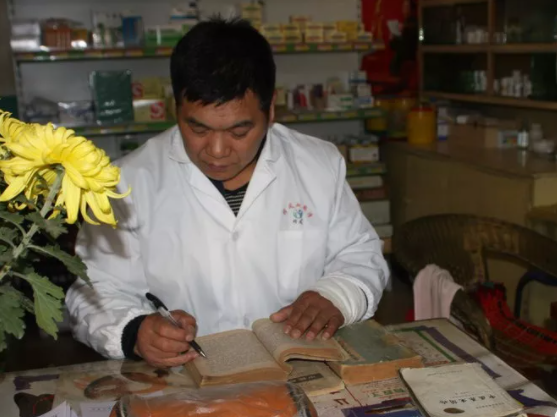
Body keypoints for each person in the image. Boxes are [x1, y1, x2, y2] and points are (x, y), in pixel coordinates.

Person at [66, 17, 389, 369]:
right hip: (187, 379)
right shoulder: (125, 182)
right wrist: (134, 331)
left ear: (270, 110)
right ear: (176, 109)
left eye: (239, 131)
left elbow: (359, 254)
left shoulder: (318, 164)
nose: (217, 151)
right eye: (198, 129)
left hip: (299, 367)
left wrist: (337, 295)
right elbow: (94, 288)